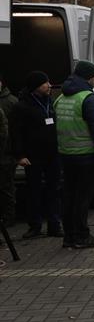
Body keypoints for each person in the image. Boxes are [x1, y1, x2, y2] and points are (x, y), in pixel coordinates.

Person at [54, 61, 94, 249]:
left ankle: (69, 236)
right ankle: (81, 236)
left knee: (69, 196)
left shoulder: (60, 98)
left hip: (66, 154)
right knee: (82, 198)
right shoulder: (88, 99)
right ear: (90, 77)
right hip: (86, 156)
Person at [10, 71, 62, 239]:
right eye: (45, 83)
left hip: (52, 154)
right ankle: (35, 225)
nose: (49, 85)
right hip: (33, 156)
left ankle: (54, 224)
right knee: (34, 190)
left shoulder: (50, 102)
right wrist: (20, 155)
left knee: (53, 189)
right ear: (35, 87)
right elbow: (16, 133)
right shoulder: (21, 107)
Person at [0, 73, 18, 227]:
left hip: (6, 153)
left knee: (6, 187)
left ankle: (9, 217)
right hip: (6, 152)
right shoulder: (12, 101)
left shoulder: (11, 102)